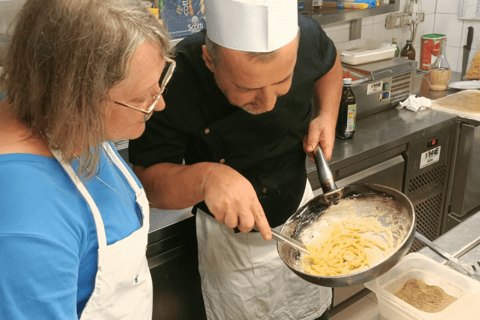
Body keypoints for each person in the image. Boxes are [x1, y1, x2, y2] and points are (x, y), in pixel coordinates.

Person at [129, 0, 343, 319]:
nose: (268, 103)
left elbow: (330, 65)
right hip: (230, 242)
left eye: (282, 82)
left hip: (301, 213)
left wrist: (326, 114)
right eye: (247, 88)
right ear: (209, 60)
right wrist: (206, 178)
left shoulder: (308, 37)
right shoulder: (175, 76)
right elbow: (149, 182)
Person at [0, 0, 174, 318]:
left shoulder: (61, 118)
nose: (158, 106)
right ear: (75, 97)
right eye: (141, 98)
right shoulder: (26, 226)